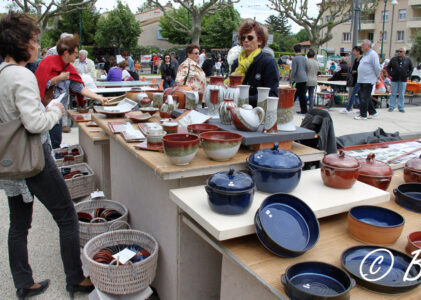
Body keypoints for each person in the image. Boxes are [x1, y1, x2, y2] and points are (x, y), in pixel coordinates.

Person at [0, 11, 94, 299]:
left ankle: (24, 284)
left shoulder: (2, 73)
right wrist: (55, 109)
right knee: (67, 215)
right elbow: (35, 123)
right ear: (20, 43)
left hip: (9, 159)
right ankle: (75, 279)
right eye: (34, 39)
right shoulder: (22, 76)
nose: (39, 46)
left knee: (19, 224)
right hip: (33, 158)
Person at [35, 34, 108, 148]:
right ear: (66, 53)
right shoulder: (47, 62)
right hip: (44, 111)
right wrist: (59, 78)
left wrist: (99, 97)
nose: (77, 55)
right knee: (45, 144)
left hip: (57, 113)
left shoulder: (69, 67)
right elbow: (40, 84)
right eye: (75, 52)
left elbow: (79, 88)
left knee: (55, 142)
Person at [230, 19, 279, 107]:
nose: (245, 40)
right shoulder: (237, 63)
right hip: (236, 111)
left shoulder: (268, 63)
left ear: (260, 41)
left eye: (250, 37)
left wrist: (243, 99)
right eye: (243, 38)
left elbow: (272, 94)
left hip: (258, 113)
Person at [354, 40, 380, 120]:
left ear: (368, 46)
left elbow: (377, 67)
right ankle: (373, 112)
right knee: (366, 97)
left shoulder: (373, 54)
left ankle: (363, 115)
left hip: (368, 80)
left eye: (363, 45)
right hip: (362, 79)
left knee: (364, 98)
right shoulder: (365, 55)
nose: (362, 47)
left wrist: (376, 77)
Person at [387, 47, 414, 112]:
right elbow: (388, 67)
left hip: (403, 79)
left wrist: (407, 75)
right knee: (393, 93)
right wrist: (391, 74)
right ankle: (391, 106)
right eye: (398, 51)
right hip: (394, 79)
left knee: (401, 94)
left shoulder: (408, 60)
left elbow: (411, 68)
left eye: (400, 51)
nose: (399, 52)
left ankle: (401, 107)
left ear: (404, 53)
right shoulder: (393, 59)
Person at [340, 46, 363, 114]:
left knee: (353, 93)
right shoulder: (356, 59)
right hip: (356, 78)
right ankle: (361, 108)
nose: (353, 52)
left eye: (354, 51)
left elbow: (360, 69)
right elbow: (353, 68)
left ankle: (348, 108)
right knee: (360, 95)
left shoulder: (362, 59)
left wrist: (355, 71)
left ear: (358, 51)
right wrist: (353, 71)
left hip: (360, 79)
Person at [290, 44, 308, 114]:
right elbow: (306, 68)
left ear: (294, 50)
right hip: (304, 78)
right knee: (302, 95)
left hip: (298, 79)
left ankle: (290, 108)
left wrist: (290, 81)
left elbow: (293, 70)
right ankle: (304, 110)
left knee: (295, 95)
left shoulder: (295, 58)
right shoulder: (304, 58)